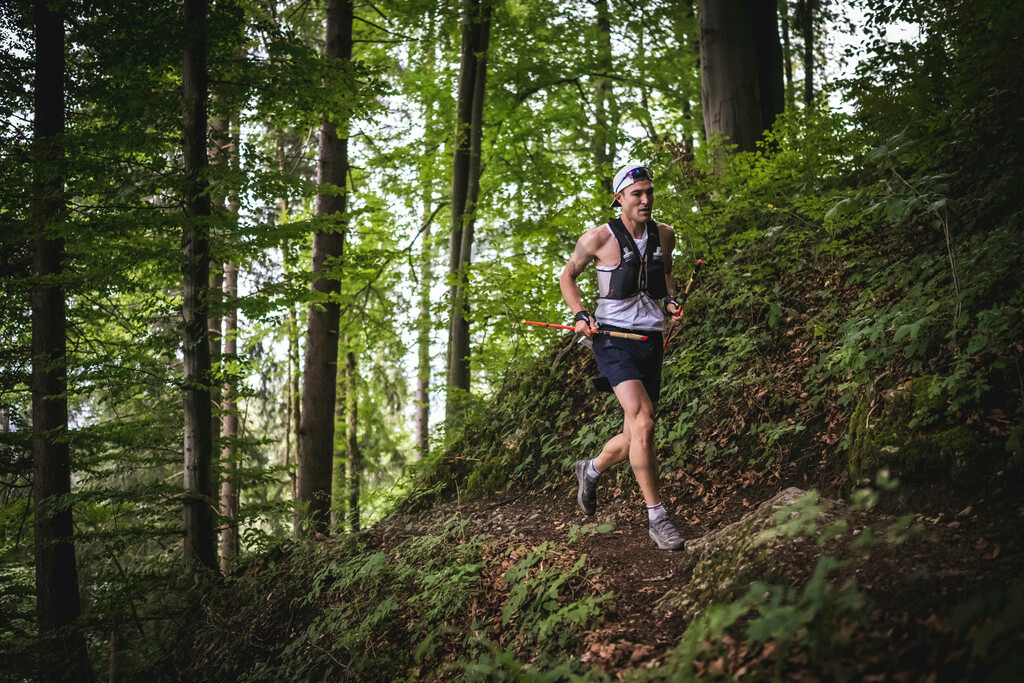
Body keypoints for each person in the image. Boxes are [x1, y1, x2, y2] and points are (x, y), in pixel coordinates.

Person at [559, 163, 685, 551]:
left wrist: (672, 300)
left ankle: (591, 468)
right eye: (637, 194)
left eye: (649, 192)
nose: (645, 200)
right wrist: (581, 314)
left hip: (650, 339)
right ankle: (657, 517)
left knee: (635, 433)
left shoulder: (665, 234)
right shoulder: (598, 238)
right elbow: (567, 277)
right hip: (612, 340)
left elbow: (666, 273)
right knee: (644, 420)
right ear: (620, 199)